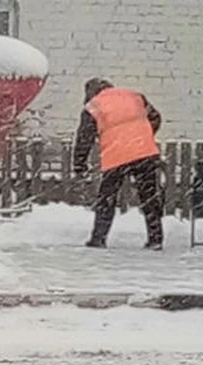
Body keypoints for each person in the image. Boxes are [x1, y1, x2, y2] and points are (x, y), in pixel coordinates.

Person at [72, 78, 165, 250]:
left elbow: (84, 138)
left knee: (107, 198)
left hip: (116, 155)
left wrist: (79, 164)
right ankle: (156, 238)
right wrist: (142, 136)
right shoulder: (135, 97)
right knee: (149, 196)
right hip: (144, 152)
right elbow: (155, 117)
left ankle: (98, 238)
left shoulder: (93, 106)